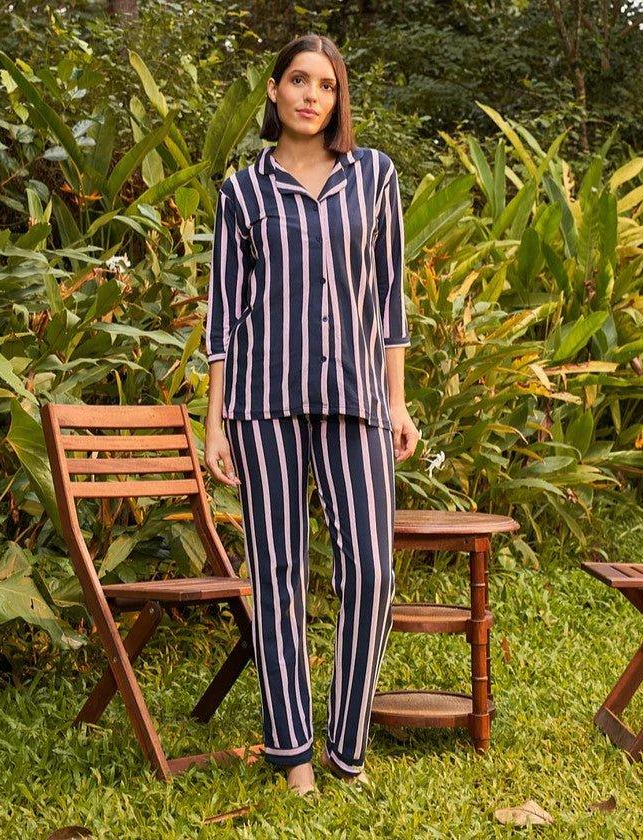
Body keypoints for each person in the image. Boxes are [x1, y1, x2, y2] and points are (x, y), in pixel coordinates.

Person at [203, 32, 420, 796]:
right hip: (263, 404)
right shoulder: (243, 192)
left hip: (356, 400)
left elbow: (389, 296)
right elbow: (223, 313)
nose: (310, 96)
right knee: (279, 572)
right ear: (273, 91)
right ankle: (291, 750)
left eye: (325, 86)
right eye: (298, 81)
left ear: (337, 99)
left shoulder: (375, 178)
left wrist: (396, 401)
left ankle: (345, 745)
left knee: (371, 571)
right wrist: (215, 418)